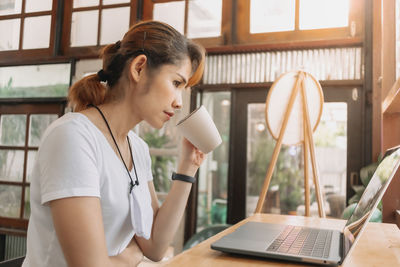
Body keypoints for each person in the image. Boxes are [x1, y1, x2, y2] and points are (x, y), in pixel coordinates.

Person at [22, 20, 205, 267]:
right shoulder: (72, 137)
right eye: (175, 83)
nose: (179, 103)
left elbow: (154, 246)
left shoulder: (137, 148)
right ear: (139, 68)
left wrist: (187, 168)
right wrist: (130, 255)